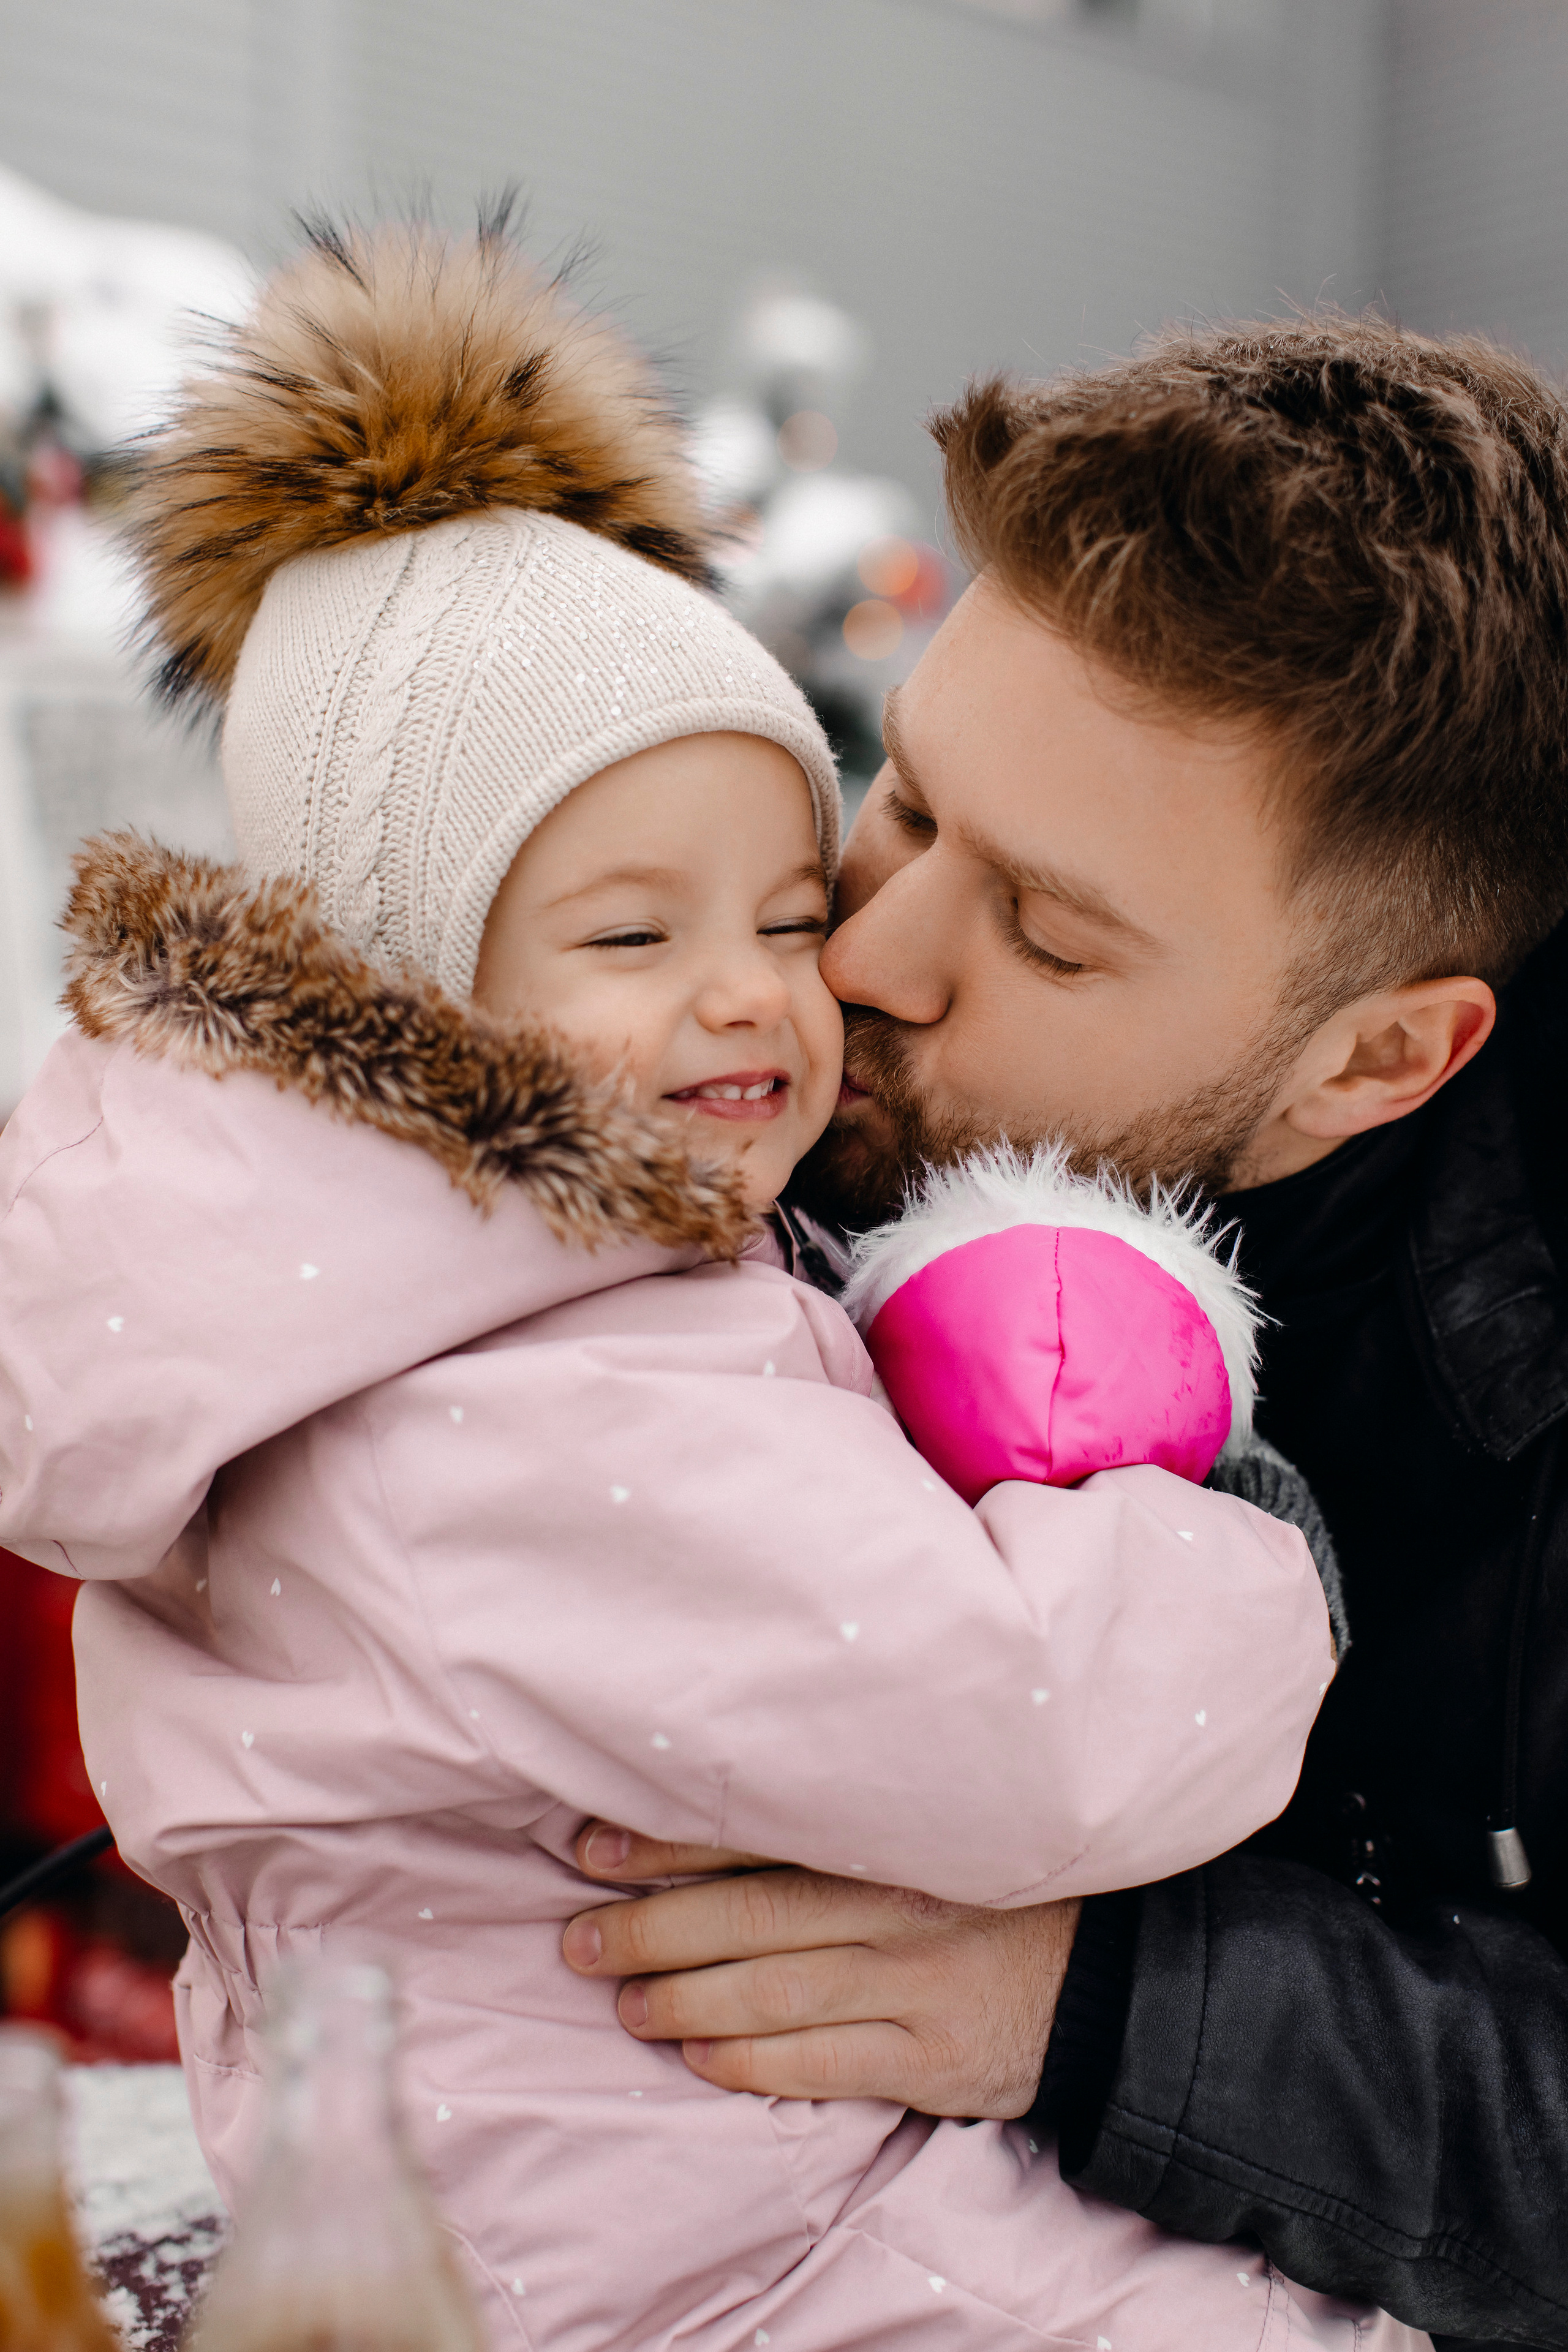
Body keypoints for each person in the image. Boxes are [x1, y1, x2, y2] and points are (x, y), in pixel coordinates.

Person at [0, 219, 1393, 2350]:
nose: (776, 988)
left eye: (778, 895)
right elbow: (1034, 1732)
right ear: (408, 993)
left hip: (652, 2201)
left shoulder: (392, 1271)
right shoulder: (514, 1394)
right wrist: (1222, 1537)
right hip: (728, 2263)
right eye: (635, 940)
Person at [562, 318, 1568, 2352]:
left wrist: (1111, 1999)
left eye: (1045, 929)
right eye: (909, 798)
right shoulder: (758, 1068)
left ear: (1381, 1057)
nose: (863, 950)